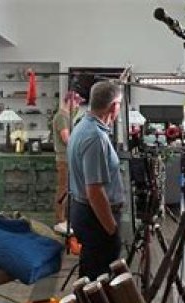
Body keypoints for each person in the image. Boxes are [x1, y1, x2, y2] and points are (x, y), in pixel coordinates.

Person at [67, 81, 124, 280]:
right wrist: (112, 230)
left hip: (86, 212)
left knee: (90, 274)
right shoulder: (95, 137)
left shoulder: (82, 126)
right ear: (114, 107)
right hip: (95, 218)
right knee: (98, 279)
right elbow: (95, 191)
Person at [52, 90, 84, 224]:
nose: (78, 105)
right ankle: (60, 219)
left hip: (68, 158)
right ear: (70, 101)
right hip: (64, 159)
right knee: (63, 189)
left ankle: (65, 217)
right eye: (76, 102)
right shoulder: (61, 117)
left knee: (67, 189)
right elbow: (66, 139)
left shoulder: (67, 116)